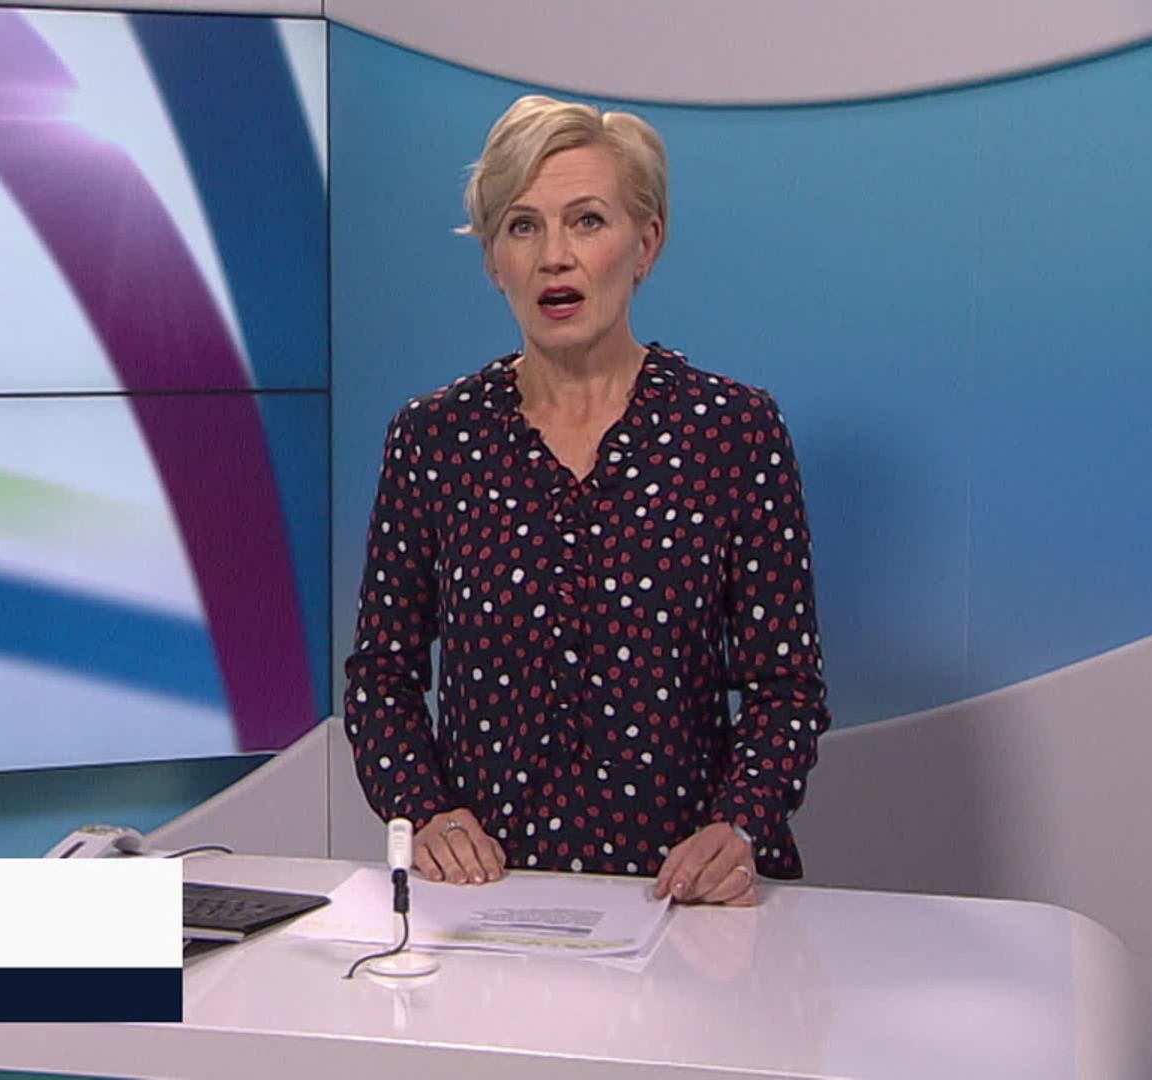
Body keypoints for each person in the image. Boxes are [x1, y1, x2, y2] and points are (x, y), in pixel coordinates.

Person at [343, 94, 829, 907]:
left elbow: (787, 687)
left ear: (646, 243)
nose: (554, 257)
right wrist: (423, 811)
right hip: (488, 899)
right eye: (522, 227)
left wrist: (740, 825)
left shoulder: (733, 432)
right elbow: (380, 675)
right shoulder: (434, 440)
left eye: (588, 221)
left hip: (684, 903)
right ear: (493, 260)